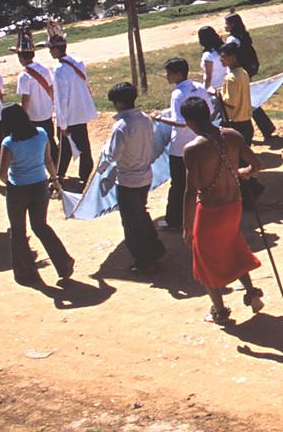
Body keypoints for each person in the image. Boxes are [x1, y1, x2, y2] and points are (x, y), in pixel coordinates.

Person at [180, 95, 264, 325]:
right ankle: (252, 292)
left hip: (211, 210)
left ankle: (220, 310)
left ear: (189, 122)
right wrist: (243, 173)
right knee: (232, 247)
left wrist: (187, 226)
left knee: (205, 259)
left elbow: (190, 191)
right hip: (234, 205)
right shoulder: (233, 136)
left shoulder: (193, 149)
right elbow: (257, 165)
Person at [0, 103, 75, 287]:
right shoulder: (41, 134)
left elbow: (2, 173)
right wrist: (55, 180)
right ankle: (64, 262)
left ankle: (26, 274)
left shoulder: (8, 143)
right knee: (41, 226)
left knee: (18, 231)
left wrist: (9, 182)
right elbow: (48, 160)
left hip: (18, 189)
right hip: (40, 186)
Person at [102, 83, 166, 273]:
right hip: (145, 176)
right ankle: (154, 249)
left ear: (119, 103)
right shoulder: (145, 119)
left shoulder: (121, 127)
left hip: (128, 180)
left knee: (132, 222)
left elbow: (113, 155)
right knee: (141, 214)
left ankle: (144, 261)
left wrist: (103, 157)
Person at [155, 57, 209, 234]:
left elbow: (180, 122)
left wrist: (158, 118)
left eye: (169, 73)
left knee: (179, 185)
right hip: (201, 140)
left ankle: (174, 220)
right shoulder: (199, 87)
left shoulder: (178, 93)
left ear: (178, 74)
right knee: (202, 181)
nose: (167, 76)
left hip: (181, 146)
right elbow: (210, 109)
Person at [46, 30, 96, 187]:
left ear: (57, 49)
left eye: (51, 49)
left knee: (64, 146)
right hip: (81, 111)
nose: (49, 52)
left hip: (69, 115)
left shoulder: (59, 69)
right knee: (82, 144)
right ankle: (83, 173)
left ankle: (59, 175)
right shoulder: (78, 62)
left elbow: (61, 99)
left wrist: (62, 123)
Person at [224, 11, 279, 144]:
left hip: (237, 74)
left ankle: (253, 130)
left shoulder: (232, 39)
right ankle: (267, 127)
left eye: (227, 24)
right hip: (246, 72)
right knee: (250, 100)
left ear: (232, 25)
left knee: (243, 102)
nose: (225, 27)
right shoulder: (243, 36)